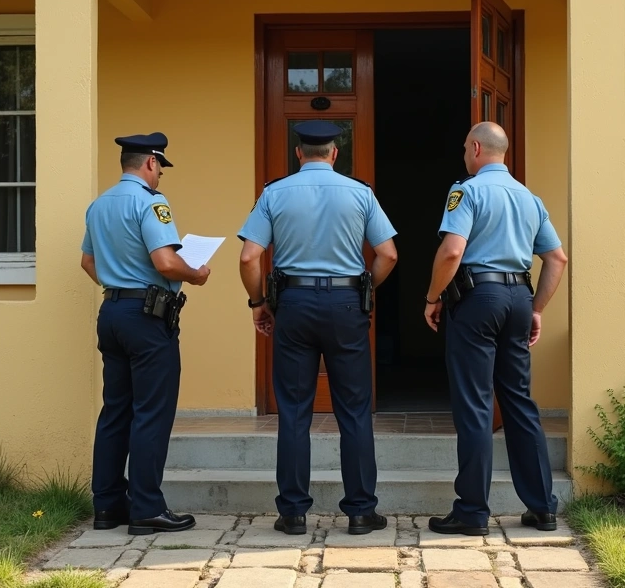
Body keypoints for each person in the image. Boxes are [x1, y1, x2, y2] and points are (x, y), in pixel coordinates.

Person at [236, 120, 399, 536]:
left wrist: (259, 303)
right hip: (347, 305)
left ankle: (292, 513)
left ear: (298, 153)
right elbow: (388, 254)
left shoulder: (274, 192)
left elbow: (249, 257)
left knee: (293, 412)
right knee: (355, 411)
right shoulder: (360, 193)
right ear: (334, 152)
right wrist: (365, 287)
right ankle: (361, 511)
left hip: (293, 304)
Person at [421, 121, 569, 535]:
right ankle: (542, 507)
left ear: (474, 148)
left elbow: (452, 252)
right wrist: (536, 308)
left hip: (477, 300)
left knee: (476, 404)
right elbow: (557, 259)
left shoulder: (465, 191)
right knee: (519, 400)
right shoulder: (529, 198)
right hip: (519, 298)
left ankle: (472, 512)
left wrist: (432, 298)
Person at [80, 132, 211, 535]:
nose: (160, 179)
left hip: (113, 311)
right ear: (151, 163)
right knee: (151, 412)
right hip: (147, 317)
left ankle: (107, 507)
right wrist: (198, 273)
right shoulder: (151, 203)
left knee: (115, 410)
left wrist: (121, 282)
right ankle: (146, 509)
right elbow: (167, 263)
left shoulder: (99, 204)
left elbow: (87, 263)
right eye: (160, 169)